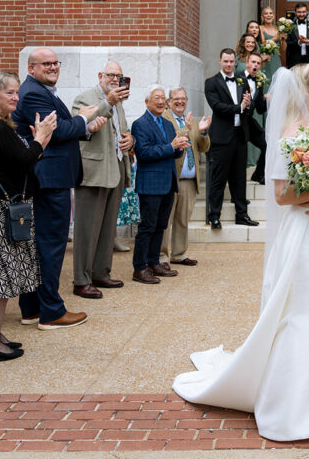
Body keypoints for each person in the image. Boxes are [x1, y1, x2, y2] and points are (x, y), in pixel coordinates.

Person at [173, 64, 309, 441]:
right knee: (305, 307)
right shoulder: (293, 131)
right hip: (306, 233)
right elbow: (281, 194)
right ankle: (294, 399)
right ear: (307, 89)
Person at [13, 47, 106, 330]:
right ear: (31, 68)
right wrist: (83, 118)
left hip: (51, 177)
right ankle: (51, 313)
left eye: (55, 63)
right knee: (50, 245)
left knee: (39, 244)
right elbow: (56, 130)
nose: (53, 67)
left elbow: (63, 128)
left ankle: (31, 309)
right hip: (49, 180)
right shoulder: (32, 93)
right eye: (46, 64)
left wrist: (83, 127)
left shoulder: (39, 90)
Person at [0, 73, 55, 362]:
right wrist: (41, 138)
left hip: (0, 209)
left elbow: (20, 162)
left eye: (17, 92)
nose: (16, 97)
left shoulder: (1, 126)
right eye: (10, 93)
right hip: (0, 212)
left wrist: (39, 142)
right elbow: (26, 161)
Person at [71, 61, 133, 298]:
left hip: (115, 168)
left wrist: (131, 141)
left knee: (108, 228)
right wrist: (108, 102)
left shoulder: (119, 104)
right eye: (111, 75)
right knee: (87, 228)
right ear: (100, 75)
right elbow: (81, 127)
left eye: (119, 76)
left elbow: (122, 132)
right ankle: (81, 280)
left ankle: (101, 273)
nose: (115, 80)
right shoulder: (86, 97)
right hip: (93, 172)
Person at [131, 86, 189, 284]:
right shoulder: (139, 124)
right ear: (147, 101)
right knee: (147, 227)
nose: (160, 101)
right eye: (156, 98)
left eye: (163, 98)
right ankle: (139, 268)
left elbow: (173, 152)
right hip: (150, 183)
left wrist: (179, 147)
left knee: (160, 226)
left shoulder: (168, 124)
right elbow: (144, 153)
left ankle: (154, 262)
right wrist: (170, 147)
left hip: (167, 183)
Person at [204, 49, 259, 230]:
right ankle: (214, 216)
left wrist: (248, 104)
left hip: (240, 136)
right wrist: (239, 107)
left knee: (239, 178)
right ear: (220, 61)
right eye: (225, 61)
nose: (229, 65)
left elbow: (248, 110)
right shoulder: (211, 82)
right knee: (218, 179)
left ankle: (242, 215)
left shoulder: (241, 80)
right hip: (221, 137)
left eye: (231, 61)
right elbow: (218, 107)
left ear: (236, 62)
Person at [160, 87, 211, 268]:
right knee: (166, 220)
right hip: (171, 179)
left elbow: (202, 147)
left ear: (187, 100)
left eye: (183, 98)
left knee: (183, 220)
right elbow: (169, 142)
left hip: (189, 180)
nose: (180, 102)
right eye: (176, 99)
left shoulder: (192, 121)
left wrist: (203, 132)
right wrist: (186, 130)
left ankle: (179, 254)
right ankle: (162, 257)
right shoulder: (164, 119)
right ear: (169, 101)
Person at [242, 51, 268, 185]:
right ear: (247, 63)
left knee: (266, 144)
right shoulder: (237, 78)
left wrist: (268, 101)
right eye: (253, 62)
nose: (255, 65)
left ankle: (258, 174)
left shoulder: (259, 81)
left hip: (249, 120)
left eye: (258, 63)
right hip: (237, 121)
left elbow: (260, 109)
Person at [285, 2, 309, 68]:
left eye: (303, 12)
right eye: (299, 12)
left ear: (307, 12)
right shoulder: (289, 27)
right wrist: (298, 42)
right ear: (295, 12)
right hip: (294, 62)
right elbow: (287, 44)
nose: (301, 14)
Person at [259, 6, 282, 80]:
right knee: (266, 80)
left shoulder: (278, 29)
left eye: (270, 13)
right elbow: (263, 44)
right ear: (262, 16)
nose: (269, 15)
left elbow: (283, 48)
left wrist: (284, 38)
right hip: (265, 59)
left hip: (276, 58)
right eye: (266, 13)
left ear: (273, 16)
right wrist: (276, 37)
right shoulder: (260, 28)